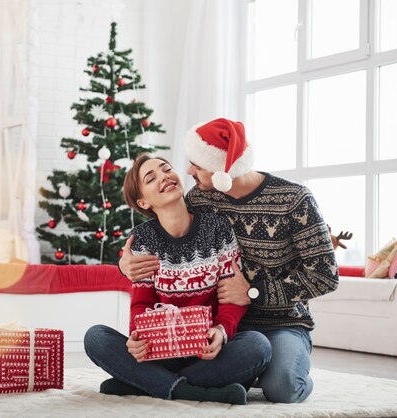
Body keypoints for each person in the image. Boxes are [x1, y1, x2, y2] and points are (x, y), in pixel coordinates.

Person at [119, 118, 339, 403]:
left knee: (282, 387)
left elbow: (326, 276)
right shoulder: (200, 198)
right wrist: (125, 264)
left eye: (197, 165)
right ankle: (191, 384)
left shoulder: (295, 200)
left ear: (223, 169)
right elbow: (162, 229)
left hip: (282, 322)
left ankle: (153, 384)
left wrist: (253, 292)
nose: (188, 171)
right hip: (228, 326)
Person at [84, 153, 272, 405]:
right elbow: (141, 305)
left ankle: (145, 383)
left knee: (258, 346)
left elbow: (232, 298)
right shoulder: (142, 240)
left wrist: (220, 332)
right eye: (151, 178)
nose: (164, 177)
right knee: (95, 337)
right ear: (143, 202)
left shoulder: (217, 228)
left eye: (167, 169)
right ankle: (194, 391)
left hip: (207, 350)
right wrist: (137, 337)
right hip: (162, 350)